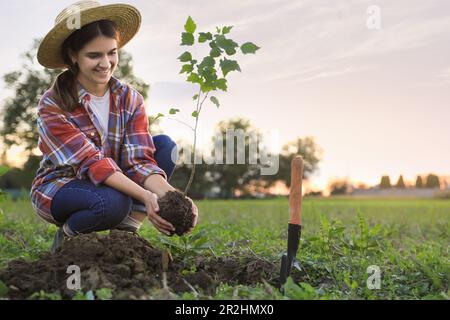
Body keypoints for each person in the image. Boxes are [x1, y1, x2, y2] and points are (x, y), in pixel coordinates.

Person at [30, 0, 198, 253]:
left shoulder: (130, 99)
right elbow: (91, 163)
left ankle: (126, 232)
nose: (106, 63)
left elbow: (138, 161)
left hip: (113, 177)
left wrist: (173, 196)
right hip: (63, 186)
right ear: (73, 56)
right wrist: (144, 196)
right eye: (94, 55)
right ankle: (68, 239)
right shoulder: (52, 105)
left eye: (112, 52)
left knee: (164, 146)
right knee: (112, 202)